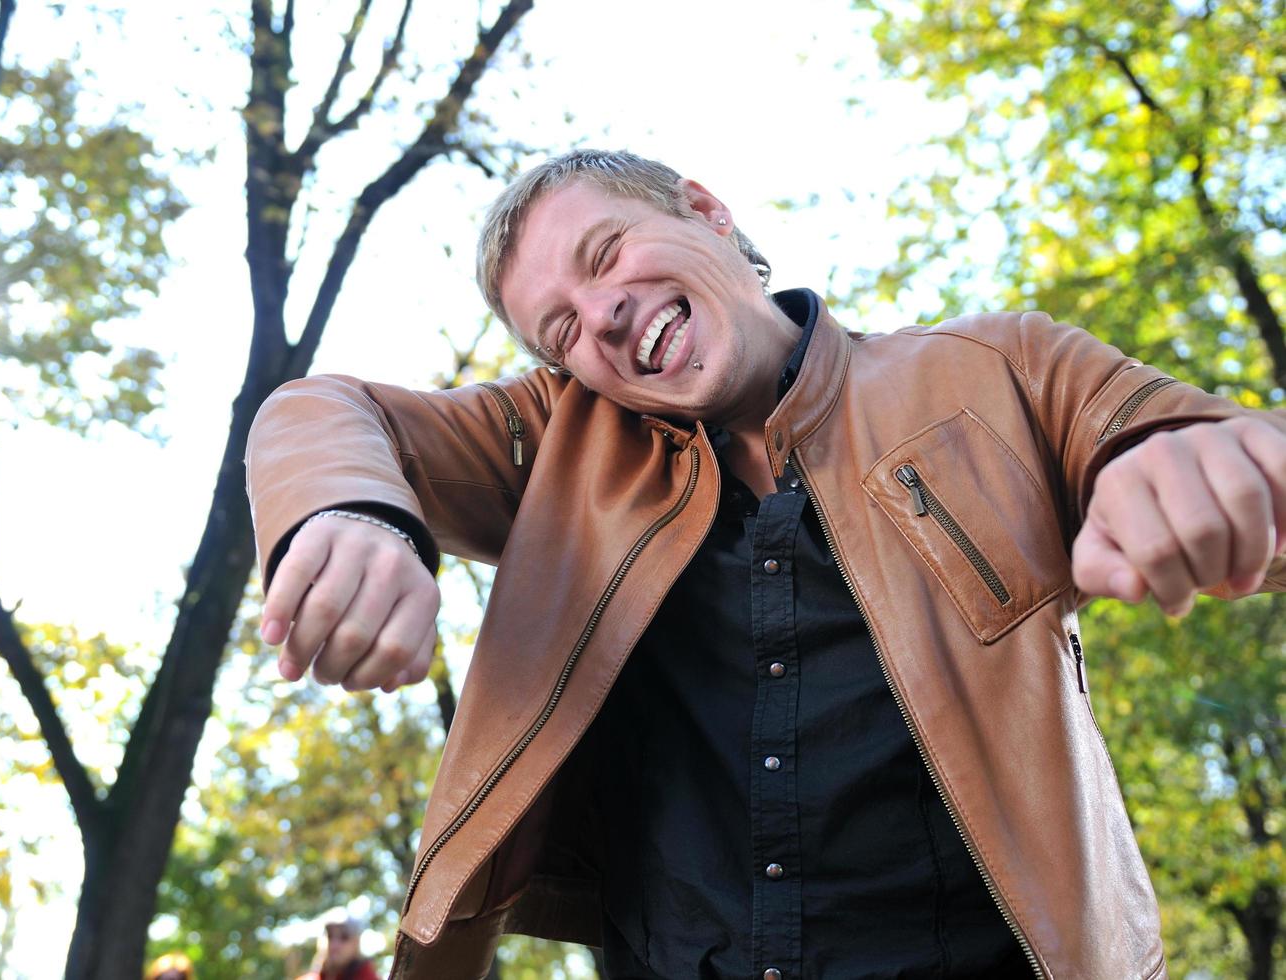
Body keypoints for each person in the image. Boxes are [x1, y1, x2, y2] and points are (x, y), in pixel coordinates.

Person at [245, 149, 1286, 979]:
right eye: (560, 327)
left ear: (709, 211)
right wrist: (356, 515)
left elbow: (1195, 449)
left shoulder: (996, 372)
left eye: (607, 252)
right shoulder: (555, 440)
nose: (600, 314)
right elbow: (325, 409)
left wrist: (1205, 469)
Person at [299, 915, 381, 980]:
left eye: (344, 937)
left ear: (356, 943)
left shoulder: (368, 977)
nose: (334, 945)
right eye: (330, 936)